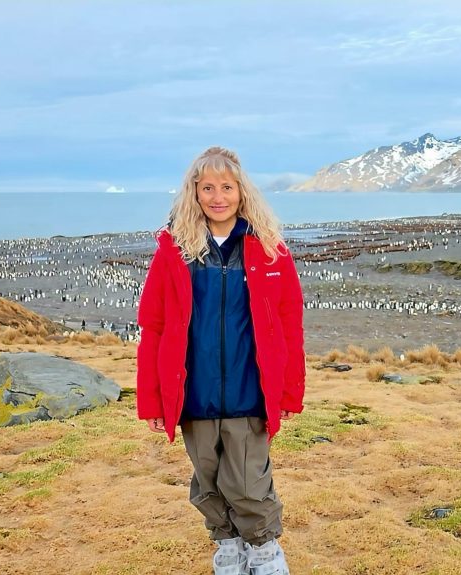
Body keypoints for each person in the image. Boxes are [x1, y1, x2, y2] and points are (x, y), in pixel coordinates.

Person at [136, 146, 305, 575]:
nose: (217, 197)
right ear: (194, 193)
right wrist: (152, 401)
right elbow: (153, 327)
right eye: (207, 187)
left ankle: (265, 552)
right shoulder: (174, 251)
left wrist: (289, 391)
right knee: (208, 481)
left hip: (251, 390)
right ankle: (228, 547)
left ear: (241, 191)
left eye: (226, 187)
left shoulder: (270, 251)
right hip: (194, 393)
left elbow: (290, 325)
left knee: (248, 483)